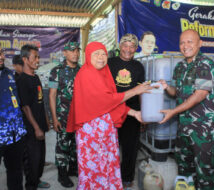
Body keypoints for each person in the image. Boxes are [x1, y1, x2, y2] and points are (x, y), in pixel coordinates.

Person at [66, 41, 152, 190]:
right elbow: (106, 100)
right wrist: (135, 91)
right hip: (92, 133)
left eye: (103, 54)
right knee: (94, 169)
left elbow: (111, 102)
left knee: (107, 164)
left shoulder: (103, 73)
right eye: (96, 54)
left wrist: (134, 113)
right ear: (88, 56)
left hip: (106, 132)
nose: (101, 57)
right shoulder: (86, 73)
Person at [159, 29, 214, 190]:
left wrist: (173, 112)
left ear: (200, 44)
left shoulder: (206, 64)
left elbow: (200, 94)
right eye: (182, 42)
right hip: (184, 127)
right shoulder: (180, 67)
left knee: (204, 174)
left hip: (203, 129)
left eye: (190, 41)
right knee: (184, 171)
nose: (185, 46)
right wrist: (166, 87)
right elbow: (176, 93)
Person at [108, 33, 145, 189]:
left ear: (136, 49)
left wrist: (143, 113)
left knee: (130, 148)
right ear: (120, 46)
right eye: (125, 45)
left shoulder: (138, 66)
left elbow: (142, 91)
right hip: (111, 111)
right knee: (110, 147)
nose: (128, 49)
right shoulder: (109, 63)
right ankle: (110, 176)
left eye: (132, 46)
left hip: (133, 113)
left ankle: (127, 178)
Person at [16, 44, 50, 190]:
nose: (38, 60)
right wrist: (36, 128)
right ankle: (31, 185)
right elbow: (25, 107)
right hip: (31, 129)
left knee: (41, 159)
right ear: (25, 59)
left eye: (38, 56)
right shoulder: (22, 80)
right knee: (32, 160)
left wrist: (47, 120)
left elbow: (40, 101)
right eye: (34, 57)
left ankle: (36, 180)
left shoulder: (35, 77)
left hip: (41, 124)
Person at [48, 42, 80, 187]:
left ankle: (73, 169)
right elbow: (52, 95)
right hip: (63, 116)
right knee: (63, 145)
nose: (75, 53)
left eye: (77, 50)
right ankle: (62, 174)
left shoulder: (82, 70)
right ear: (65, 53)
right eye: (71, 51)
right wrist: (54, 118)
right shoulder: (56, 71)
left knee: (76, 144)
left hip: (79, 117)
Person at [0, 48, 27, 190]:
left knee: (16, 173)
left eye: (2, 53)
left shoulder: (9, 74)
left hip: (14, 136)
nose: (2, 56)